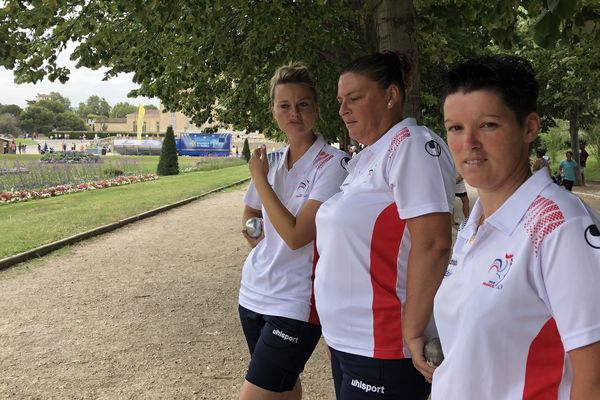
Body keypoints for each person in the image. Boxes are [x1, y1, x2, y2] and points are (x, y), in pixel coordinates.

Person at [433, 55, 600, 399]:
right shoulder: (476, 222)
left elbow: (594, 379)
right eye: (455, 128)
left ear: (529, 128)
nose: (469, 143)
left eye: (488, 125)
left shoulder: (560, 227)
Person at [313, 50, 456, 399]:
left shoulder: (413, 146)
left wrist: (412, 332)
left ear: (391, 96)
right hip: (350, 341)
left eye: (355, 98)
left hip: (386, 343)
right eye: (340, 101)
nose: (343, 110)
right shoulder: (366, 158)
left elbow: (434, 243)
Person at [238, 63, 348, 400]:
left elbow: (299, 235)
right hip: (254, 291)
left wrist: (259, 177)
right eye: (284, 105)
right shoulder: (271, 161)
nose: (294, 113)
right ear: (274, 111)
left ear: (316, 109)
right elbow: (251, 212)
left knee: (256, 394)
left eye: (302, 104)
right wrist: (254, 233)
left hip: (298, 300)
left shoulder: (334, 163)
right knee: (282, 386)